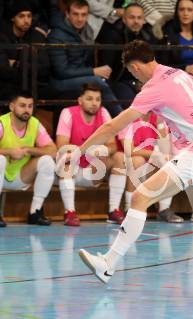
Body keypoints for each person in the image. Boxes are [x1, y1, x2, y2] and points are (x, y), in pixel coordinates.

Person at [74, 40, 193, 283]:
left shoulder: (153, 89)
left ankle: (108, 263)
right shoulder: (179, 74)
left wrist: (81, 150)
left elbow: (114, 125)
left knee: (139, 197)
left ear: (134, 67)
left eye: (132, 73)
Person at [56, 83, 126, 227]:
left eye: (97, 99)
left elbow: (112, 145)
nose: (94, 103)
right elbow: (62, 146)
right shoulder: (68, 113)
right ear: (80, 100)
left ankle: (114, 210)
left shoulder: (104, 113)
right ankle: (69, 212)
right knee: (65, 159)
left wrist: (102, 150)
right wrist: (87, 150)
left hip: (93, 171)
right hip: (70, 171)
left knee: (119, 157)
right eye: (89, 99)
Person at [48, 0, 123, 117]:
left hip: (80, 78)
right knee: (97, 81)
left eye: (83, 15)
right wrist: (93, 71)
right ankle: (123, 119)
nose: (80, 19)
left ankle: (112, 126)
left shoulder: (87, 31)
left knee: (103, 82)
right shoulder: (57, 35)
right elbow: (61, 72)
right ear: (67, 14)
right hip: (59, 82)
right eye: (75, 14)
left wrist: (94, 73)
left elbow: (86, 62)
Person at [0, 91, 56, 227]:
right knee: (0, 159)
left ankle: (35, 212)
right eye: (22, 105)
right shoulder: (2, 123)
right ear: (12, 107)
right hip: (1, 173)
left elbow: (53, 150)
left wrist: (29, 150)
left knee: (48, 161)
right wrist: (9, 152)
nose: (27, 110)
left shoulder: (35, 124)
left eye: (30, 106)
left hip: (21, 175)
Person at [117, 113, 183, 222]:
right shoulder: (128, 118)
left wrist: (160, 125)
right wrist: (155, 154)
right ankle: (129, 209)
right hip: (131, 165)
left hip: (150, 167)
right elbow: (130, 150)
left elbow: (165, 151)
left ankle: (164, 209)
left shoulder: (159, 120)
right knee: (137, 161)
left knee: (171, 162)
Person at [99, 3, 158, 102]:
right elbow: (107, 68)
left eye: (139, 18)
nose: (136, 21)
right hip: (119, 81)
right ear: (124, 19)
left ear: (144, 20)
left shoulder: (148, 37)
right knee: (133, 104)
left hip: (143, 82)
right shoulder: (113, 36)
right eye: (132, 17)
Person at [163, 0, 193, 79]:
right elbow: (163, 65)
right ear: (176, 12)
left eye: (190, 10)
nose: (185, 13)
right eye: (181, 9)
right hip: (175, 80)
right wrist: (185, 68)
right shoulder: (167, 32)